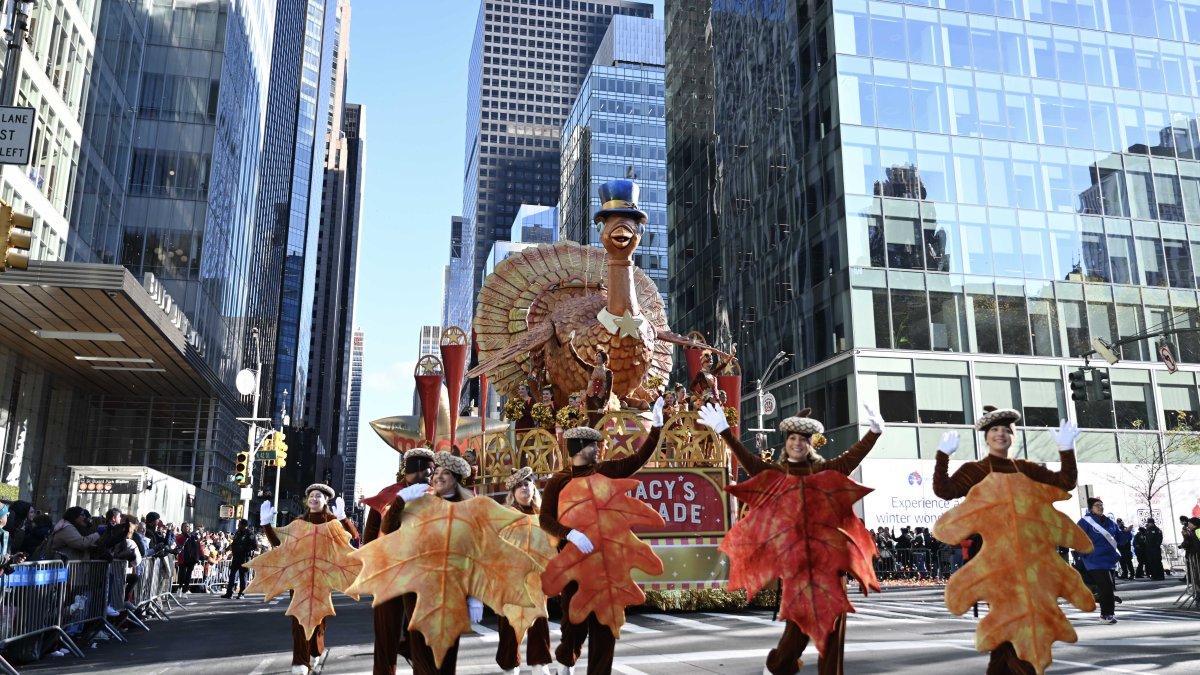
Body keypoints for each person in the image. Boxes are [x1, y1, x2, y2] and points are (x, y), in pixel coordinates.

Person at [697, 402, 886, 675]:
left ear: (810, 444)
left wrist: (874, 433)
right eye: (792, 438)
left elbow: (849, 460)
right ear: (787, 443)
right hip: (798, 571)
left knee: (833, 637)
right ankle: (778, 665)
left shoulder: (824, 471)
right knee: (795, 636)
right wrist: (725, 431)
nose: (797, 444)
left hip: (832, 570)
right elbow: (750, 463)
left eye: (803, 439)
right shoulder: (776, 476)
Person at [932, 406, 1079, 675]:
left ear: (1014, 436)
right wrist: (943, 456)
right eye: (994, 430)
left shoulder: (1025, 469)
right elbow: (944, 491)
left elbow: (1064, 482)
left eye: (1006, 430)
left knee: (1013, 626)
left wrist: (1066, 449)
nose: (1000, 434)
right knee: (1015, 622)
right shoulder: (975, 470)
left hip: (1030, 561)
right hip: (994, 563)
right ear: (986, 437)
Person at [539, 397, 666, 675]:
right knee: (574, 624)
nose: (599, 449)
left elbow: (635, 461)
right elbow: (545, 518)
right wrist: (568, 534)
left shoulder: (605, 471)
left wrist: (656, 428)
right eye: (593, 446)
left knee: (606, 627)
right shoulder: (558, 482)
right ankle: (567, 655)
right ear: (579, 449)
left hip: (607, 565)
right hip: (573, 566)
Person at [381, 451, 476, 675]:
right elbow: (388, 528)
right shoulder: (419, 503)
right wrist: (400, 500)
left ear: (456, 479)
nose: (438, 476)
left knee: (446, 661)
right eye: (437, 472)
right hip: (418, 590)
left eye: (445, 473)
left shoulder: (469, 510)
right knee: (423, 658)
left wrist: (475, 597)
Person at [263, 485, 359, 675]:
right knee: (299, 621)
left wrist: (344, 519)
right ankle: (300, 661)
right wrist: (266, 524)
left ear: (326, 501)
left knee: (318, 621)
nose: (314, 499)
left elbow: (354, 540)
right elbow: (278, 543)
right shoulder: (298, 522)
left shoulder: (333, 522)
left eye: (318, 496)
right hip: (300, 578)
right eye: (311, 496)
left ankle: (315, 650)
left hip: (323, 578)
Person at [367, 447, 434, 675]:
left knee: (422, 632)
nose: (429, 474)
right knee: (386, 634)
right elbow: (372, 534)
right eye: (426, 469)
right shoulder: (388, 494)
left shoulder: (436, 494)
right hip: (389, 571)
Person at [496, 467, 553, 675]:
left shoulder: (544, 515)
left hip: (536, 580)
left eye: (527, 483)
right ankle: (510, 667)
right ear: (513, 493)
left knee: (539, 623)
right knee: (510, 625)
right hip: (511, 580)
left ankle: (540, 665)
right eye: (519, 486)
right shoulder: (505, 515)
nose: (523, 488)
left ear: (533, 487)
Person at [1076, 498, 1120, 624]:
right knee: (1105, 586)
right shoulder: (1085, 522)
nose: (1100, 507)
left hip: (1109, 560)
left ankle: (1109, 614)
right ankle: (1105, 615)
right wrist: (1084, 552)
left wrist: (1127, 533)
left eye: (1101, 505)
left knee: (1108, 588)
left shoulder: (1109, 522)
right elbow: (1077, 537)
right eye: (1097, 505)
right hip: (1094, 560)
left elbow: (1120, 537)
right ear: (1091, 508)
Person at [222, 519, 256, 599]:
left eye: (239, 524)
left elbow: (254, 545)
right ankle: (229, 593)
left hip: (244, 557)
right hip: (236, 557)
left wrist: (244, 548)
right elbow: (234, 543)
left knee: (243, 575)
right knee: (232, 575)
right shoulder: (238, 533)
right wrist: (227, 549)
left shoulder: (250, 534)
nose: (238, 526)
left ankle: (242, 593)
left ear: (243, 525)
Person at [176, 523, 202, 593]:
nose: (186, 528)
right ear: (181, 528)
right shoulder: (179, 536)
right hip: (183, 558)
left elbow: (199, 545)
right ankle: (180, 587)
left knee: (189, 574)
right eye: (184, 526)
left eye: (187, 526)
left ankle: (185, 590)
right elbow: (179, 541)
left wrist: (201, 555)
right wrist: (186, 536)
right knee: (182, 574)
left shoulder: (193, 536)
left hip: (191, 558)